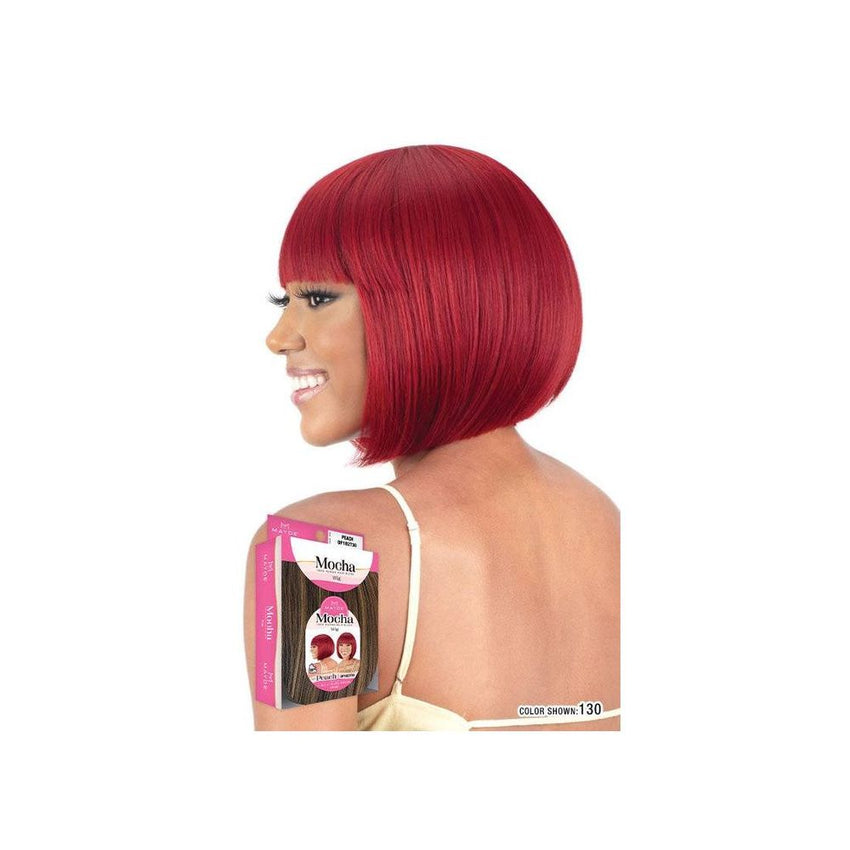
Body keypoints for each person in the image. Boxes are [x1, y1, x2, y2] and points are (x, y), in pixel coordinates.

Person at [244, 144, 620, 731]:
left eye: (317, 299)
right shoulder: (607, 521)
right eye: (283, 300)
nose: (279, 337)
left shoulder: (322, 550)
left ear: (429, 304)